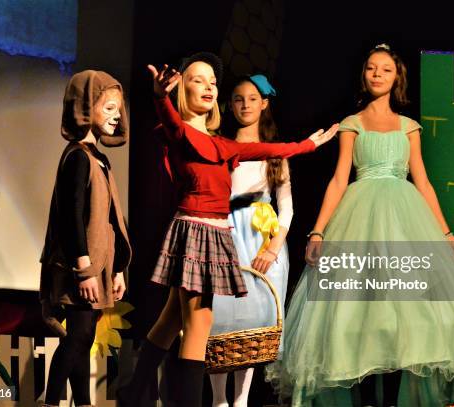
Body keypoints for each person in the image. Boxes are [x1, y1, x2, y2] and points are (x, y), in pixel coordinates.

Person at [269, 44, 454, 407]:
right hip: (359, 220)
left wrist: (445, 232)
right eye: (371, 68)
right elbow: (338, 180)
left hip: (404, 221)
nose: (377, 74)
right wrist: (317, 231)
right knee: (359, 314)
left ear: (397, 79)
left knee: (399, 315)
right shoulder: (352, 124)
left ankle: (392, 402)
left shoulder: (409, 127)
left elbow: (422, 181)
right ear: (364, 75)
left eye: (386, 69)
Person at [116, 52, 338, 407]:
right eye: (197, 80)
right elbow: (170, 121)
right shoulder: (182, 133)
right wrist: (159, 96)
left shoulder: (223, 145)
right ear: (181, 88)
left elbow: (271, 148)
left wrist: (311, 144)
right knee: (200, 325)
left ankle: (132, 395)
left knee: (170, 322)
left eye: (212, 81)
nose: (207, 86)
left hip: (215, 234)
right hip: (196, 232)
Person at [39, 70, 132, 407]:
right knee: (78, 336)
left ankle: (83, 403)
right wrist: (85, 268)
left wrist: (118, 268)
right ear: (85, 107)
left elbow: (110, 219)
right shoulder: (77, 156)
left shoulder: (100, 159)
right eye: (108, 108)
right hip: (81, 265)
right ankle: (51, 402)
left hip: (98, 265)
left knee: (84, 336)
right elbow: (71, 215)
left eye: (118, 110)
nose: (116, 116)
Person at [208, 74, 292, 407]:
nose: (245, 105)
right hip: (225, 231)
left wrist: (272, 247)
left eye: (253, 98)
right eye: (239, 99)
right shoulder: (220, 147)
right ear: (230, 105)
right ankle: (217, 399)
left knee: (253, 317)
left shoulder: (274, 153)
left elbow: (286, 207)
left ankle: (241, 399)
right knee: (221, 312)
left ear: (264, 103)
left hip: (260, 236)